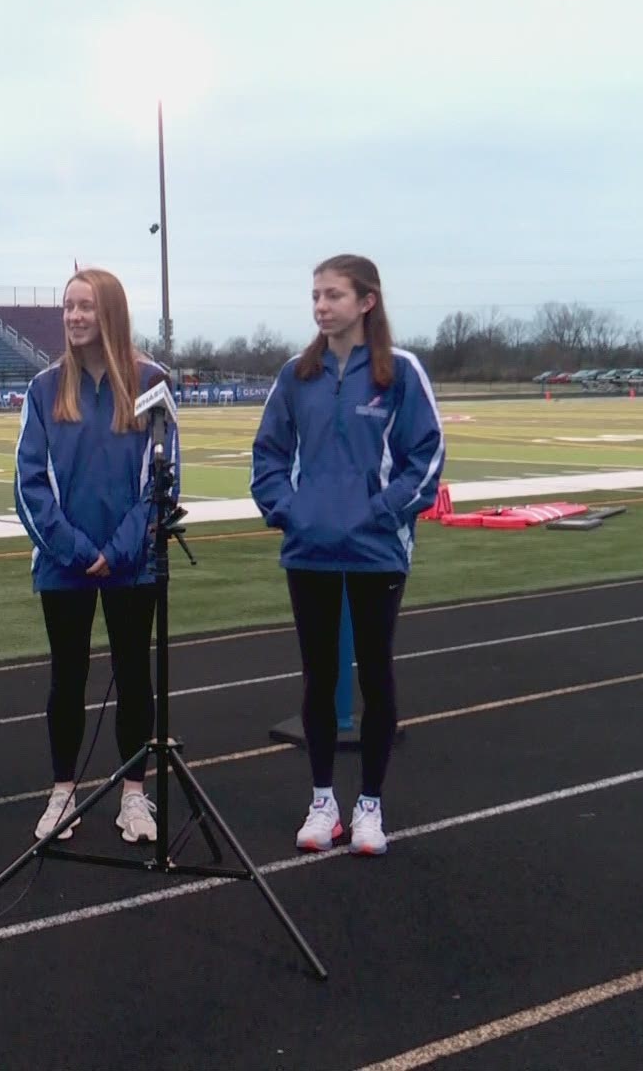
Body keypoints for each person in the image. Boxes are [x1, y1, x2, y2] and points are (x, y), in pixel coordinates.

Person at [250, 254, 444, 857]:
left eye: (332, 295)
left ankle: (370, 806)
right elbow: (268, 456)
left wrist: (379, 511)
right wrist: (290, 510)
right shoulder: (295, 375)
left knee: (376, 677)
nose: (320, 306)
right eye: (314, 296)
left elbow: (427, 458)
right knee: (318, 680)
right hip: (309, 551)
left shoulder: (401, 372)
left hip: (375, 551)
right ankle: (322, 800)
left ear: (366, 301)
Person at [14, 267, 177, 844]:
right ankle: (64, 792)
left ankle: (135, 795)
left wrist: (122, 549)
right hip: (66, 566)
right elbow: (28, 484)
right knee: (69, 677)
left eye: (85, 306)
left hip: (134, 564)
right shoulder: (44, 388)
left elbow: (164, 483)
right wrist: (80, 552)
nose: (74, 316)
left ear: (110, 311)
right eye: (68, 307)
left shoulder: (152, 382)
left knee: (135, 676)